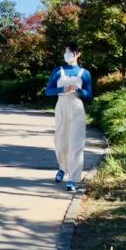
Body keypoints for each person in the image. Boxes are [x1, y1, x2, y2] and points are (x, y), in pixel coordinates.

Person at [45, 42, 93, 192]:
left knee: (76, 143)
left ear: (77, 54)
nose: (67, 54)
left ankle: (73, 178)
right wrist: (62, 88)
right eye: (66, 51)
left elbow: (89, 96)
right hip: (61, 105)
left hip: (77, 106)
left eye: (70, 52)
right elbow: (48, 91)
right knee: (60, 141)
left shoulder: (84, 73)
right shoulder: (58, 71)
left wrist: (79, 89)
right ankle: (62, 168)